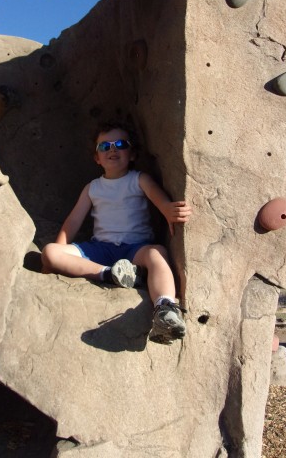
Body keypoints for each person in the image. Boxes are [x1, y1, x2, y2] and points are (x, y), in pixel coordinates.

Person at [41, 121, 192, 344]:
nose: (112, 149)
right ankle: (110, 273)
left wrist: (169, 210)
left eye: (120, 144)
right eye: (104, 146)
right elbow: (73, 221)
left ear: (131, 154)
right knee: (50, 252)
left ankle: (165, 308)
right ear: (97, 158)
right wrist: (54, 257)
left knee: (157, 254)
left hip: (135, 248)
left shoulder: (138, 179)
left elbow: (156, 196)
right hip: (100, 249)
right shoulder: (92, 187)